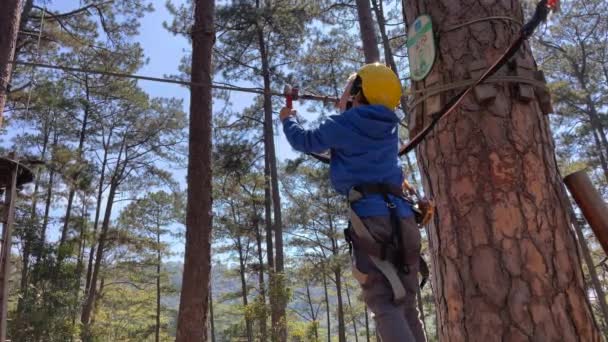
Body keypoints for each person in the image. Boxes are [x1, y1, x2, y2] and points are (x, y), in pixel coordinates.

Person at [280, 63, 426, 342]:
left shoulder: (344, 124)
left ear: (359, 91)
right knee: (406, 303)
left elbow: (306, 140)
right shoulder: (388, 126)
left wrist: (289, 119)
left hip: (372, 220)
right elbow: (362, 125)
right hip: (404, 218)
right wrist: (346, 103)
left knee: (383, 301)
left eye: (349, 87)